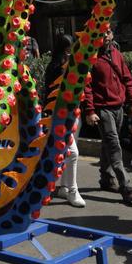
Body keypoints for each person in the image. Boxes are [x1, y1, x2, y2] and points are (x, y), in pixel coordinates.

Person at [82, 28, 132, 203]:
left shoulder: (117, 54)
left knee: (107, 144)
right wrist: (90, 111)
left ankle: (106, 178)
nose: (105, 35)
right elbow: (87, 87)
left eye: (108, 32)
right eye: (101, 32)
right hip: (103, 109)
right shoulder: (90, 57)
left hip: (119, 107)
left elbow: (127, 79)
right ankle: (126, 186)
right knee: (114, 146)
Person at [44, 34, 85, 208]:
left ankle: (65, 188)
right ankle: (72, 191)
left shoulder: (69, 66)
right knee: (72, 153)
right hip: (59, 116)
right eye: (68, 49)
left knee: (68, 152)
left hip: (73, 114)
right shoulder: (55, 68)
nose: (70, 52)